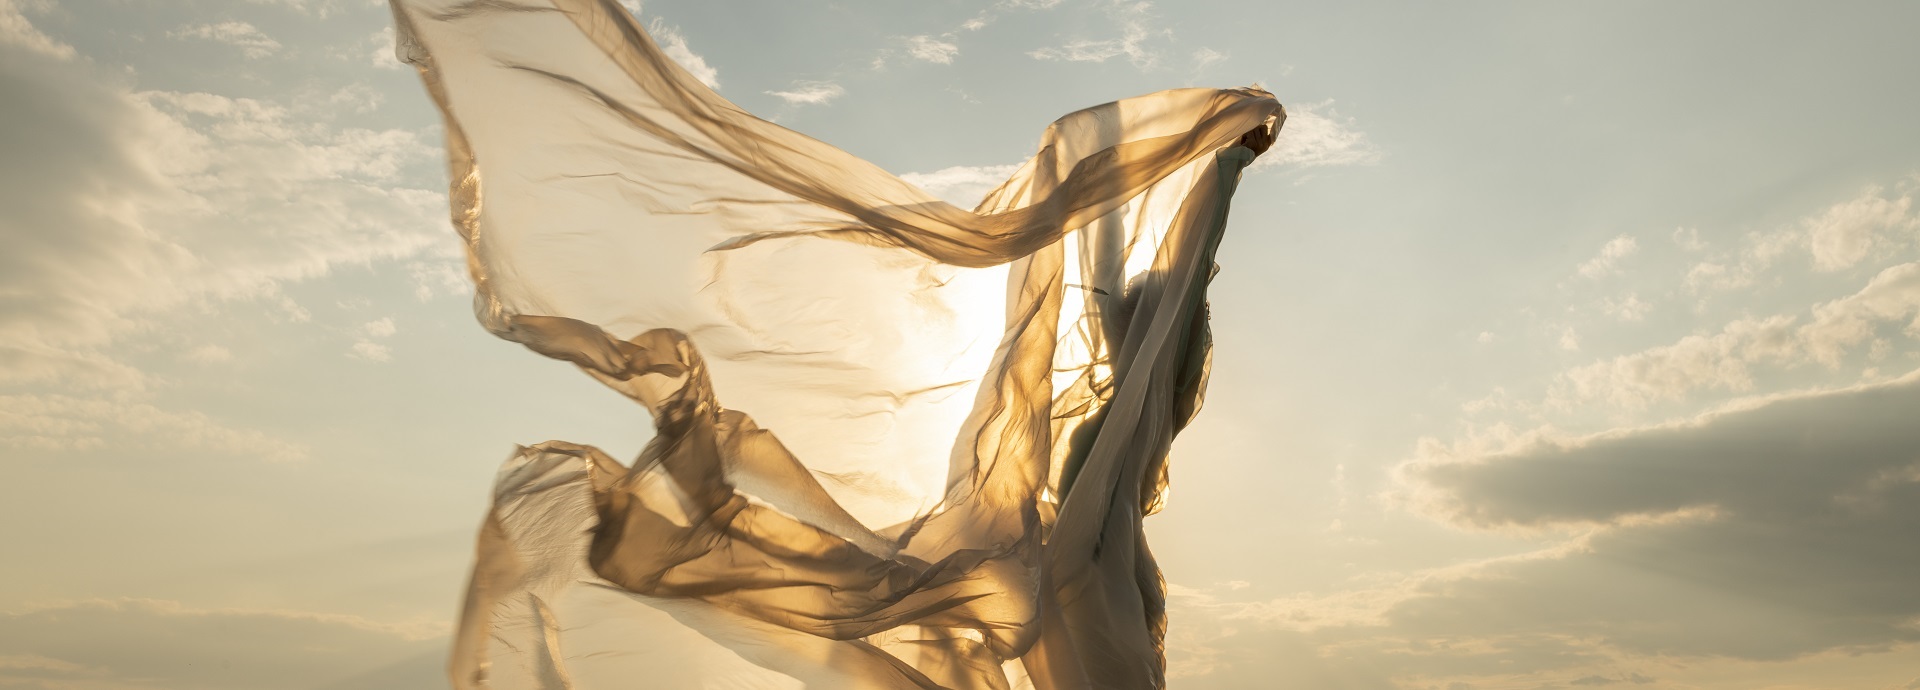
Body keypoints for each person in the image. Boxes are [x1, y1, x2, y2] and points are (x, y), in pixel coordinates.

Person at [390, 1, 1281, 687]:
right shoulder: (1098, 472)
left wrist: (1222, 163)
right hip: (1087, 579)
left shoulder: (1113, 452)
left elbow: (1159, 278)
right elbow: (1152, 265)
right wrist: (1221, 163)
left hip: (1093, 576)